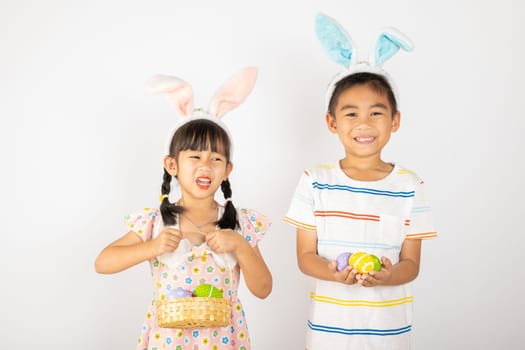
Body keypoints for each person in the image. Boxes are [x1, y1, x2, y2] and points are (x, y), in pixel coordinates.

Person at [284, 14, 437, 349]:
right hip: (328, 335)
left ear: (395, 121)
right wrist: (334, 274)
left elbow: (411, 264)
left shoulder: (410, 185)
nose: (364, 123)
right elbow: (305, 256)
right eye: (351, 113)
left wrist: (389, 275)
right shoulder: (314, 181)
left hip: (389, 335)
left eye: (377, 113)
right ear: (332, 121)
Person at [95, 67, 272, 350]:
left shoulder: (238, 223)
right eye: (194, 156)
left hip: (223, 341)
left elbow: (263, 289)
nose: (205, 165)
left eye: (215, 158)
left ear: (227, 170)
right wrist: (151, 248)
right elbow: (103, 262)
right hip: (168, 341)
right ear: (172, 165)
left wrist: (240, 245)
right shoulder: (155, 221)